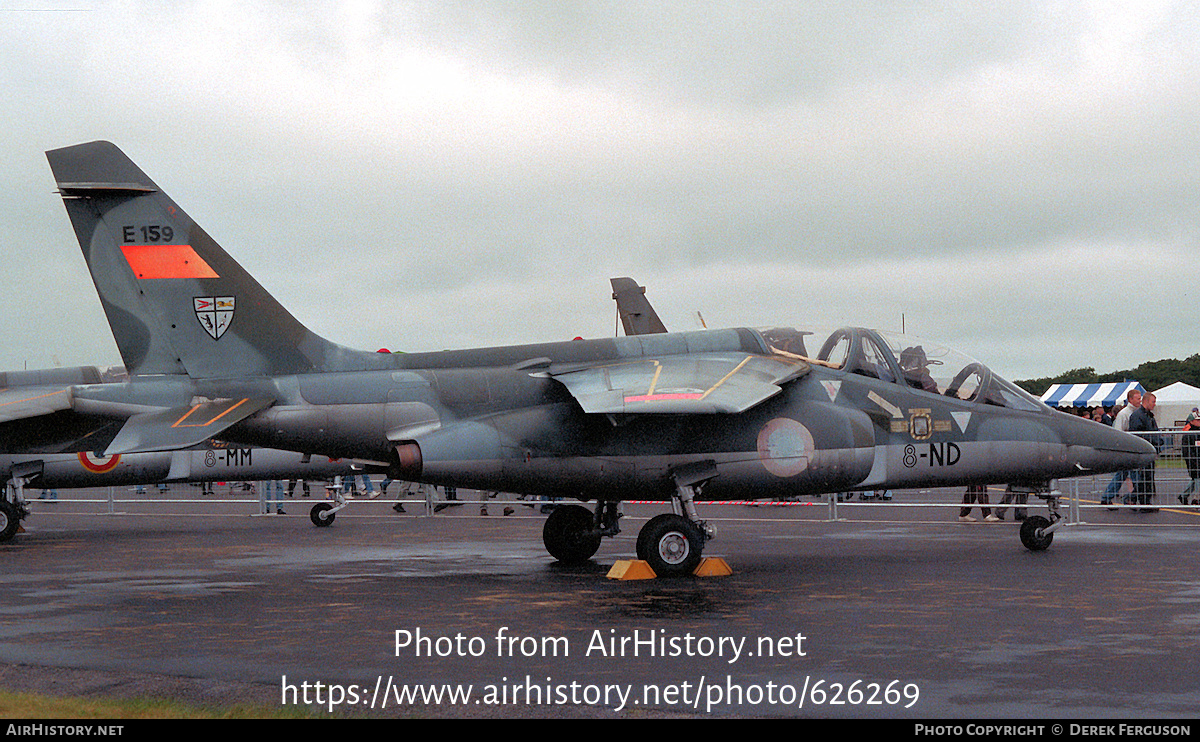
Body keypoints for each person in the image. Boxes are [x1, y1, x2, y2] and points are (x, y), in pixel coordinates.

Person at [1102, 389, 1142, 507]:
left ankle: (1107, 496)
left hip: (1132, 448)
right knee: (1134, 476)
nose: (1140, 401)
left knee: (1122, 475)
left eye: (1140, 398)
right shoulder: (1124, 414)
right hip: (1126, 449)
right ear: (1130, 399)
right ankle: (1131, 498)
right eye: (1137, 398)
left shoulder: (1137, 412)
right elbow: (1118, 433)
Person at [1128, 392, 1163, 513]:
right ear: (1146, 401)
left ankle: (1142, 501)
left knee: (1148, 477)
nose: (1154, 404)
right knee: (1144, 477)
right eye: (1153, 402)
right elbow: (1138, 433)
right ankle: (1142, 502)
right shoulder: (1137, 415)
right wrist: (1152, 441)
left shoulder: (1149, 416)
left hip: (1151, 450)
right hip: (1143, 451)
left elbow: (1155, 430)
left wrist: (1159, 441)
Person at [1182, 409, 1200, 505]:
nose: (1199, 422)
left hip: (1198, 460)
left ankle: (1184, 495)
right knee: (1197, 478)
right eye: (1197, 420)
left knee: (1195, 480)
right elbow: (1186, 450)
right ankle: (1196, 499)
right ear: (1191, 421)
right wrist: (1192, 460)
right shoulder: (1188, 433)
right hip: (1193, 461)